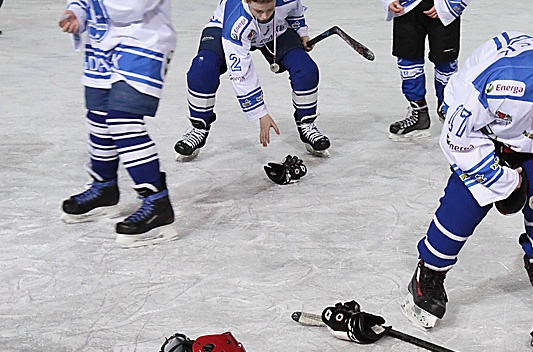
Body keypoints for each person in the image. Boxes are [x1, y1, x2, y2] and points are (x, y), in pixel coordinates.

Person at [402, 32, 533, 329]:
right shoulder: (502, 86)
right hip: (484, 130)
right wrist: (503, 178)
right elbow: (457, 137)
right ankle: (430, 271)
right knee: (466, 199)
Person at [59, 0, 178, 248]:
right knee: (98, 117)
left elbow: (131, 7)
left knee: (123, 120)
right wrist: (77, 12)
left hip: (144, 40)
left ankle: (158, 203)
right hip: (102, 40)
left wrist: (92, 6)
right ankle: (104, 189)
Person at [174, 0, 330, 160]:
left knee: (306, 68)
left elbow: (294, 10)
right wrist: (261, 114)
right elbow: (241, 73)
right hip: (225, 27)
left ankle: (306, 124)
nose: (264, 17)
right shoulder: (236, 23)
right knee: (202, 68)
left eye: (269, 10)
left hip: (275, 30)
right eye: (259, 11)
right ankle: (199, 127)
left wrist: (302, 32)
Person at [382, 0, 467, 139]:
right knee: (407, 58)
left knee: (445, 61)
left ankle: (448, 111)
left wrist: (451, 5)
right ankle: (419, 113)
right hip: (406, 8)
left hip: (442, 6)